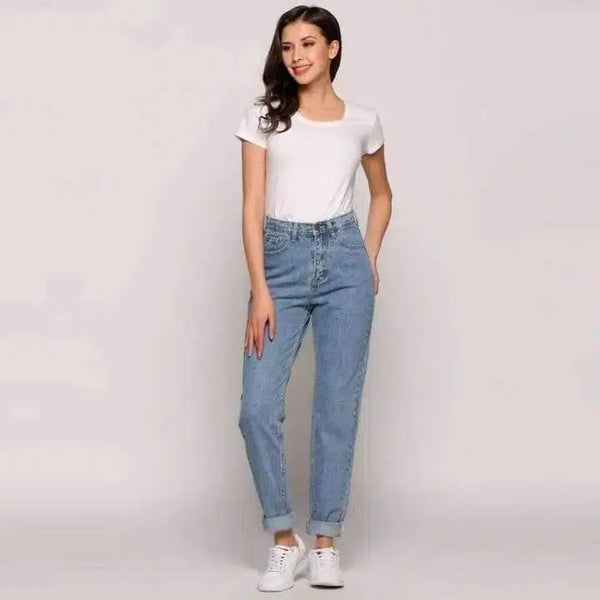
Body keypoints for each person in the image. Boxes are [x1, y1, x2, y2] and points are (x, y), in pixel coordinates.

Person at [233, 4, 392, 592]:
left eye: (307, 43)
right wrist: (260, 289)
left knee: (335, 406)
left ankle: (325, 540)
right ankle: (285, 539)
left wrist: (366, 256)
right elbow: (252, 207)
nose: (296, 55)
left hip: (345, 261)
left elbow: (382, 195)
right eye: (287, 46)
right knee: (256, 409)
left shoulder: (363, 121)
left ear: (333, 48)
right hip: (280, 261)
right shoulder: (264, 116)